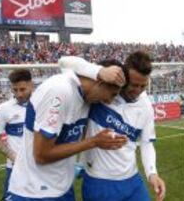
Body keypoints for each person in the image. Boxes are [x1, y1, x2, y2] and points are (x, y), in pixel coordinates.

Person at [8, 63, 128, 200]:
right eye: (112, 94)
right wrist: (94, 142)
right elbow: (41, 155)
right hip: (34, 192)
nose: (109, 101)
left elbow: (68, 61)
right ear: (100, 82)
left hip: (63, 189)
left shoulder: (85, 96)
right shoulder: (59, 91)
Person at [60, 51, 166, 201]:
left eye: (143, 85)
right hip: (99, 182)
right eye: (134, 85)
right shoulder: (101, 92)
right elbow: (63, 62)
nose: (138, 90)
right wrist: (100, 71)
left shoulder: (145, 105)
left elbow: (146, 142)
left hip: (132, 180)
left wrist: (152, 173)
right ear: (123, 78)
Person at [0, 69, 33, 201]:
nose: (19, 94)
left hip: (40, 166)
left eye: (22, 89)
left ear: (31, 84)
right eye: (15, 90)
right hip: (15, 168)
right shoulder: (4, 109)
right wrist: (14, 157)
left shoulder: (42, 103)